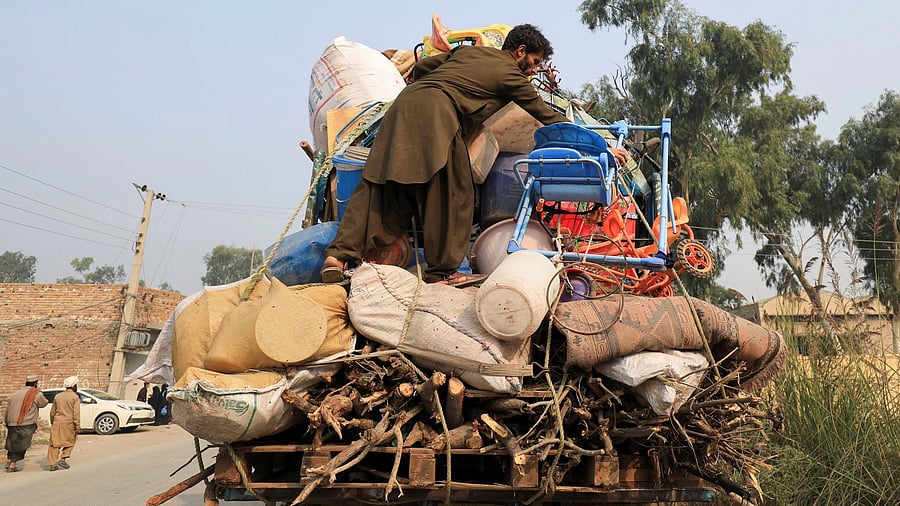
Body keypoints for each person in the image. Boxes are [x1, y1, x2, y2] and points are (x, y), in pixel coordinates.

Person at [322, 23, 568, 286]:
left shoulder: (467, 53)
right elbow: (545, 114)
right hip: (437, 114)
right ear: (520, 51)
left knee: (380, 184)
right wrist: (596, 141)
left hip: (403, 107)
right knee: (455, 191)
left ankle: (337, 257)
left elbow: (420, 68)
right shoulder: (511, 75)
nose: (533, 70)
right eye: (534, 61)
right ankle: (442, 272)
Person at [4, 374, 49, 472]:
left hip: (12, 422)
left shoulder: (15, 393)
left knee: (12, 443)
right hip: (26, 422)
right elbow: (43, 403)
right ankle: (12, 464)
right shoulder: (36, 394)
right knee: (21, 444)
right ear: (35, 384)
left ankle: (9, 461)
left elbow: (8, 409)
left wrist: (6, 421)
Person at [47, 375, 80, 471]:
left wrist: (53, 422)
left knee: (54, 444)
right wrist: (77, 425)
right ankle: (63, 458)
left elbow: (52, 412)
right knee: (70, 442)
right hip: (69, 423)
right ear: (74, 386)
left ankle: (52, 464)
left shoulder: (58, 396)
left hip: (57, 422)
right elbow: (76, 413)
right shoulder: (75, 397)